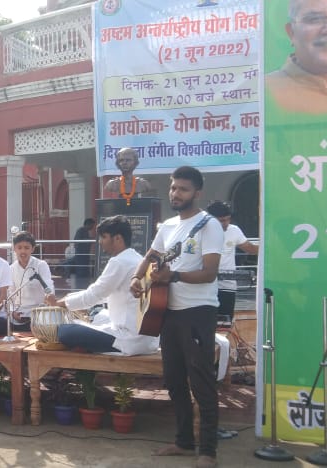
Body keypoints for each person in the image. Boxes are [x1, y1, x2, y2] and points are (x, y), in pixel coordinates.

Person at [129, 166, 223, 468]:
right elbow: (151, 256)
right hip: (167, 311)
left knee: (202, 382)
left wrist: (175, 276)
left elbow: (209, 273)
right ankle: (184, 442)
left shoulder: (209, 226)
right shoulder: (168, 225)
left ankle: (208, 450)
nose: (176, 193)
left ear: (197, 192)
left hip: (198, 313)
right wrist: (136, 277)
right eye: (173, 188)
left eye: (182, 189)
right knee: (173, 381)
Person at [53, 216, 159, 356]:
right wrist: (69, 298)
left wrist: (61, 303)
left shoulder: (119, 262)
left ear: (118, 238)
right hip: (146, 340)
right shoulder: (136, 258)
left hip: (128, 340)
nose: (100, 242)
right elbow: (104, 293)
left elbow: (95, 295)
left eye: (103, 237)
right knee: (96, 313)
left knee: (63, 331)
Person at [205, 201, 259, 325]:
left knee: (225, 324)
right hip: (204, 286)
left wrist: (271, 248)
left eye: (228, 219)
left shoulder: (234, 230)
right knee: (205, 324)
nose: (226, 224)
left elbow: (250, 249)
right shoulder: (200, 231)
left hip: (227, 286)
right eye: (221, 220)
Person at [8, 231, 55, 332]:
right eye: (19, 248)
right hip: (19, 315)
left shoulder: (40, 265)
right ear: (14, 248)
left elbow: (49, 288)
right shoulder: (11, 268)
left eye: (26, 248)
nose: (23, 251)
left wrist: (50, 297)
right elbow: (10, 293)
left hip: (38, 313)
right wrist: (12, 311)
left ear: (33, 249)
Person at [65, 218, 96, 287]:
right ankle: (81, 286)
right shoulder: (81, 230)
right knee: (81, 271)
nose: (92, 227)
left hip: (84, 255)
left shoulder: (85, 231)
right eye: (92, 225)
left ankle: (84, 285)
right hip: (81, 255)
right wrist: (90, 240)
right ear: (88, 224)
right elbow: (78, 241)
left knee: (85, 271)